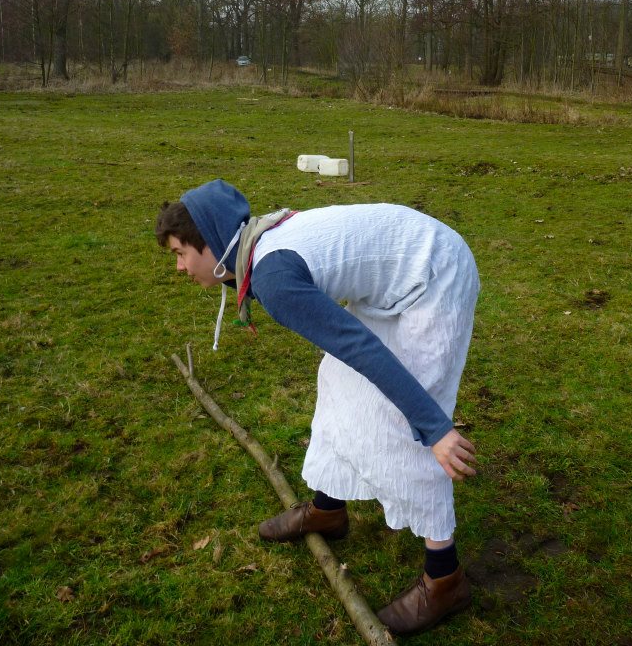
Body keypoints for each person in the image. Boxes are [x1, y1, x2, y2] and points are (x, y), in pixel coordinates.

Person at [156, 179, 480, 636]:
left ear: (210, 244)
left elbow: (359, 346)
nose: (178, 267)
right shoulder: (258, 247)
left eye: (180, 253)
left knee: (404, 426)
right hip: (399, 275)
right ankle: (329, 510)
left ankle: (445, 578)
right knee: (337, 381)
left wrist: (435, 427)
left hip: (435, 273)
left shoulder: (273, 278)